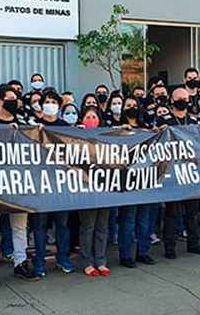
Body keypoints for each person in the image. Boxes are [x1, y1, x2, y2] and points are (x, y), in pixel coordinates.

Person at [0, 85, 40, 286]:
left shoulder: (22, 122)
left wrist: (40, 132)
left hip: (19, 182)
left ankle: (20, 262)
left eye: (16, 98)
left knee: (20, 225)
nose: (15, 101)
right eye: (10, 98)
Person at [157, 87, 200, 259]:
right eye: (178, 98)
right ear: (172, 101)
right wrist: (160, 131)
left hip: (190, 171)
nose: (182, 101)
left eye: (185, 98)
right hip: (172, 173)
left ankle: (193, 243)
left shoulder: (193, 122)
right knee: (172, 212)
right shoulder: (164, 120)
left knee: (192, 211)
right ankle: (170, 247)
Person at [32, 90, 74, 276]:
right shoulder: (33, 128)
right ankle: (39, 261)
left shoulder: (65, 126)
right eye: (46, 101)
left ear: (58, 105)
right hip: (41, 185)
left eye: (53, 102)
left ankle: (63, 258)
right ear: (41, 106)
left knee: (62, 224)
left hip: (62, 184)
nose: (50, 104)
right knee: (40, 226)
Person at [117, 95, 156, 268]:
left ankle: (143, 252)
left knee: (144, 218)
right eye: (128, 105)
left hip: (145, 178)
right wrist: (119, 130)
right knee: (129, 218)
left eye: (134, 105)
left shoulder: (146, 128)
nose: (131, 107)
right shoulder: (118, 129)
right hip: (128, 180)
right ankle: (125, 254)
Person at [78, 106, 112, 277]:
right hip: (86, 189)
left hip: (106, 188)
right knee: (88, 226)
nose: (91, 119)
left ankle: (101, 260)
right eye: (88, 116)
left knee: (102, 226)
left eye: (94, 116)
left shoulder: (107, 136)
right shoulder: (74, 135)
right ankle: (87, 261)